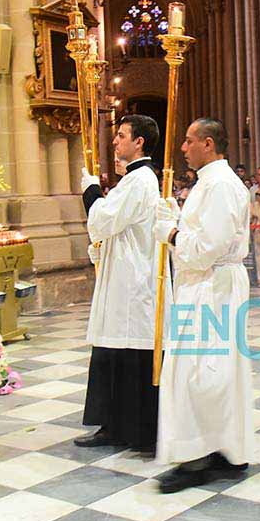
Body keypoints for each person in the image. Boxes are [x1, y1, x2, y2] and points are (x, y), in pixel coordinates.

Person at [153, 118, 254, 492]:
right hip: (207, 284)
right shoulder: (210, 182)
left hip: (212, 286)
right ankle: (222, 449)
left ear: (208, 144)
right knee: (214, 370)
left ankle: (199, 457)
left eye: (189, 140)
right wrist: (176, 218)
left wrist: (170, 232)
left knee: (200, 371)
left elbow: (205, 249)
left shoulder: (220, 185)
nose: (183, 148)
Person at [75, 115, 164, 452]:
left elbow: (103, 220)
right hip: (123, 277)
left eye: (122, 135)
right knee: (112, 350)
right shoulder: (133, 179)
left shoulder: (140, 180)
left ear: (139, 142)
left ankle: (132, 429)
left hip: (132, 283)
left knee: (127, 351)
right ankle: (113, 424)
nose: (115, 141)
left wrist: (91, 191)